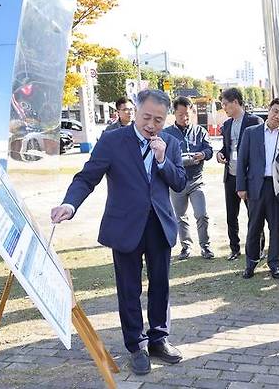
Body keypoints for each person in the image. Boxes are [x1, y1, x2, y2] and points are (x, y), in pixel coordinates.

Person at [50, 89, 186, 376]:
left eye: (158, 120)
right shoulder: (112, 141)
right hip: (125, 226)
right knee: (129, 288)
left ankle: (159, 338)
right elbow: (87, 177)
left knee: (160, 284)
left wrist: (162, 160)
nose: (151, 124)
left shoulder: (171, 143)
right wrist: (69, 204)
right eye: (146, 117)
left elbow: (179, 182)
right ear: (135, 111)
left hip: (159, 225)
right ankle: (136, 345)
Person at [236, 98, 279, 279]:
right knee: (254, 227)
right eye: (275, 111)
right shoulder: (251, 133)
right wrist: (241, 187)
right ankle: (251, 262)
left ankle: (274, 264)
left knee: (276, 228)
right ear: (268, 110)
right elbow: (242, 162)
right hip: (255, 186)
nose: (277, 116)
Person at [163, 96, 214, 260]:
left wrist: (203, 154)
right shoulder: (166, 134)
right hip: (177, 182)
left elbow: (209, 150)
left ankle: (205, 246)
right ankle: (186, 247)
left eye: (187, 114)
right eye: (180, 115)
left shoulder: (200, 131)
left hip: (196, 180)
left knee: (201, 214)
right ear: (174, 114)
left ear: (192, 112)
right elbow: (162, 156)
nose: (184, 118)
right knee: (180, 216)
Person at [216, 88, 264, 261]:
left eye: (226, 104)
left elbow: (260, 151)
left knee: (254, 215)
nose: (224, 108)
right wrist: (220, 154)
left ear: (236, 102)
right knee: (231, 215)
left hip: (250, 178)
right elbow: (226, 148)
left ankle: (258, 249)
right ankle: (234, 248)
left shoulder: (254, 121)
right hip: (231, 175)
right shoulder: (227, 124)